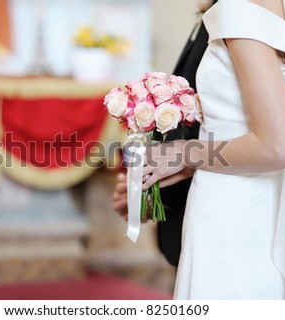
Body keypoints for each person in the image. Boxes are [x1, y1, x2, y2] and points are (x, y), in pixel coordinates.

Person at [118, 0, 285, 299]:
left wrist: (186, 152)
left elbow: (280, 146)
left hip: (233, 211)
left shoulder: (241, 7)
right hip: (275, 201)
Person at [113, 0, 216, 268]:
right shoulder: (210, 18)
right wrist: (148, 188)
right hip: (187, 204)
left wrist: (177, 163)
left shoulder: (236, 24)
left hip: (216, 208)